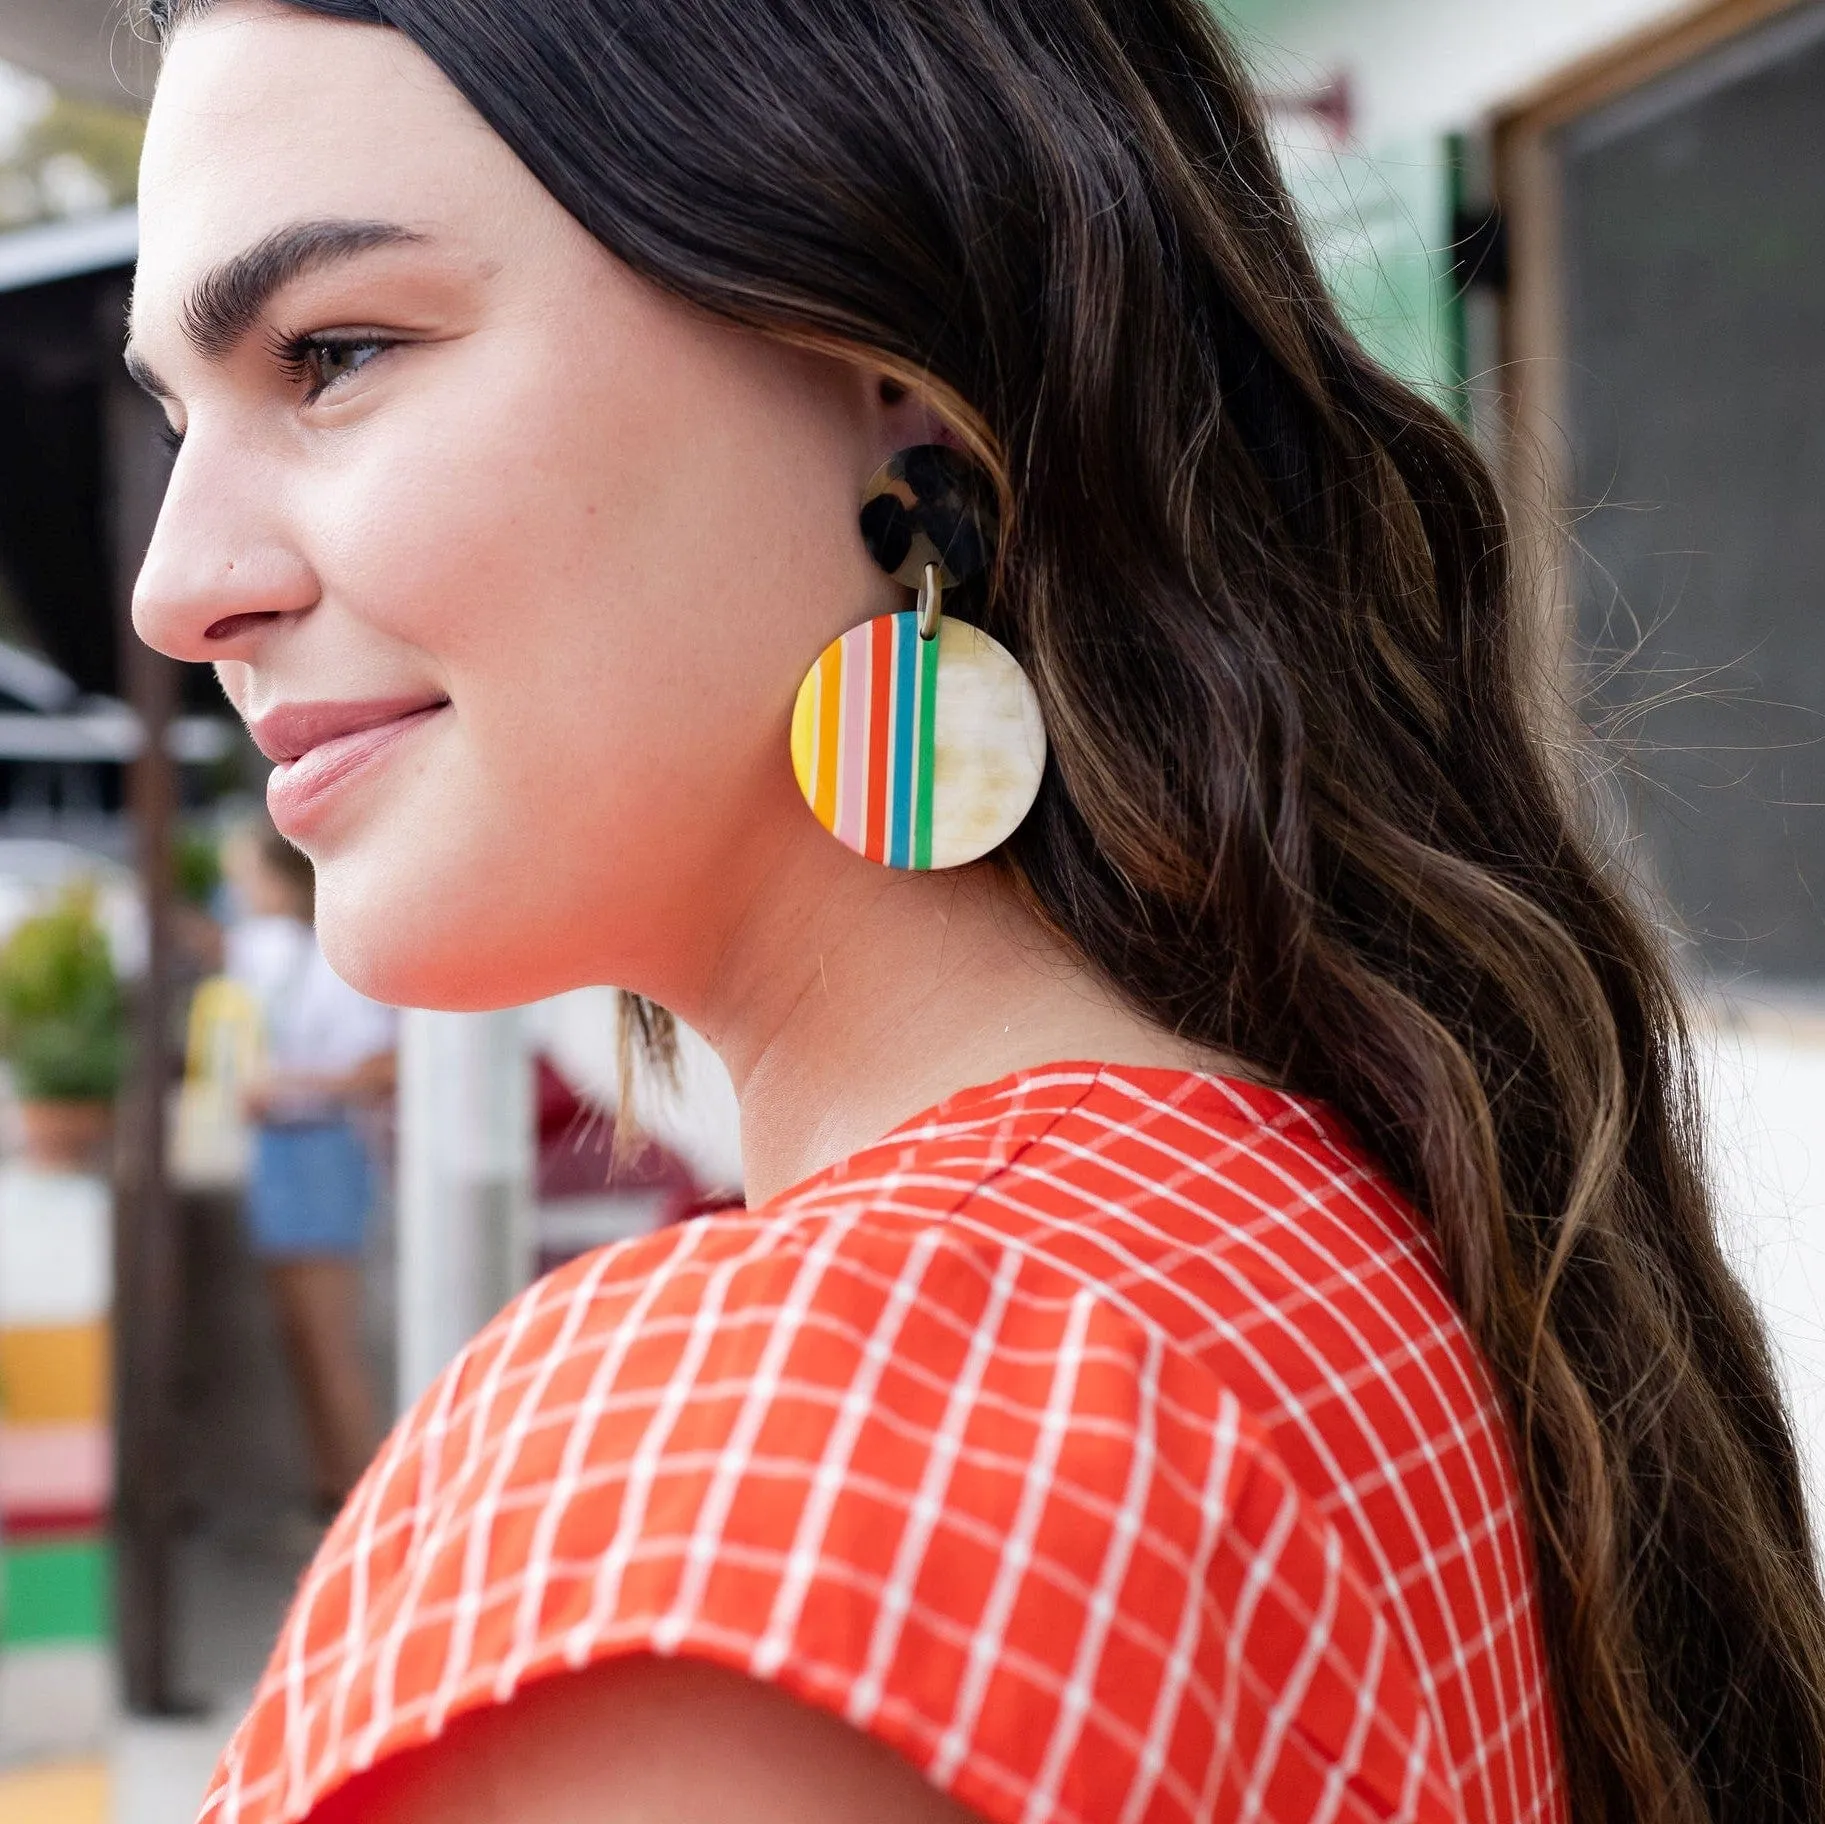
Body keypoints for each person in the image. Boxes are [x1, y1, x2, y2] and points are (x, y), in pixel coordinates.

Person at [123, 2, 1825, 1821]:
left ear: (900, 373)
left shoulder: (767, 1489)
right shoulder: (1346, 1229)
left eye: (337, 351)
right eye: (174, 413)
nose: (175, 585)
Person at [220, 819, 395, 1519]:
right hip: (281, 1149)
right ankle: (332, 1493)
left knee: (329, 1343)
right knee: (298, 1337)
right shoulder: (269, 951)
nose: (239, 890)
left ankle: (367, 1508)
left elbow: (380, 1068)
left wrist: (288, 1089)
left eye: (248, 876)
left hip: (321, 1149)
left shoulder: (337, 956)